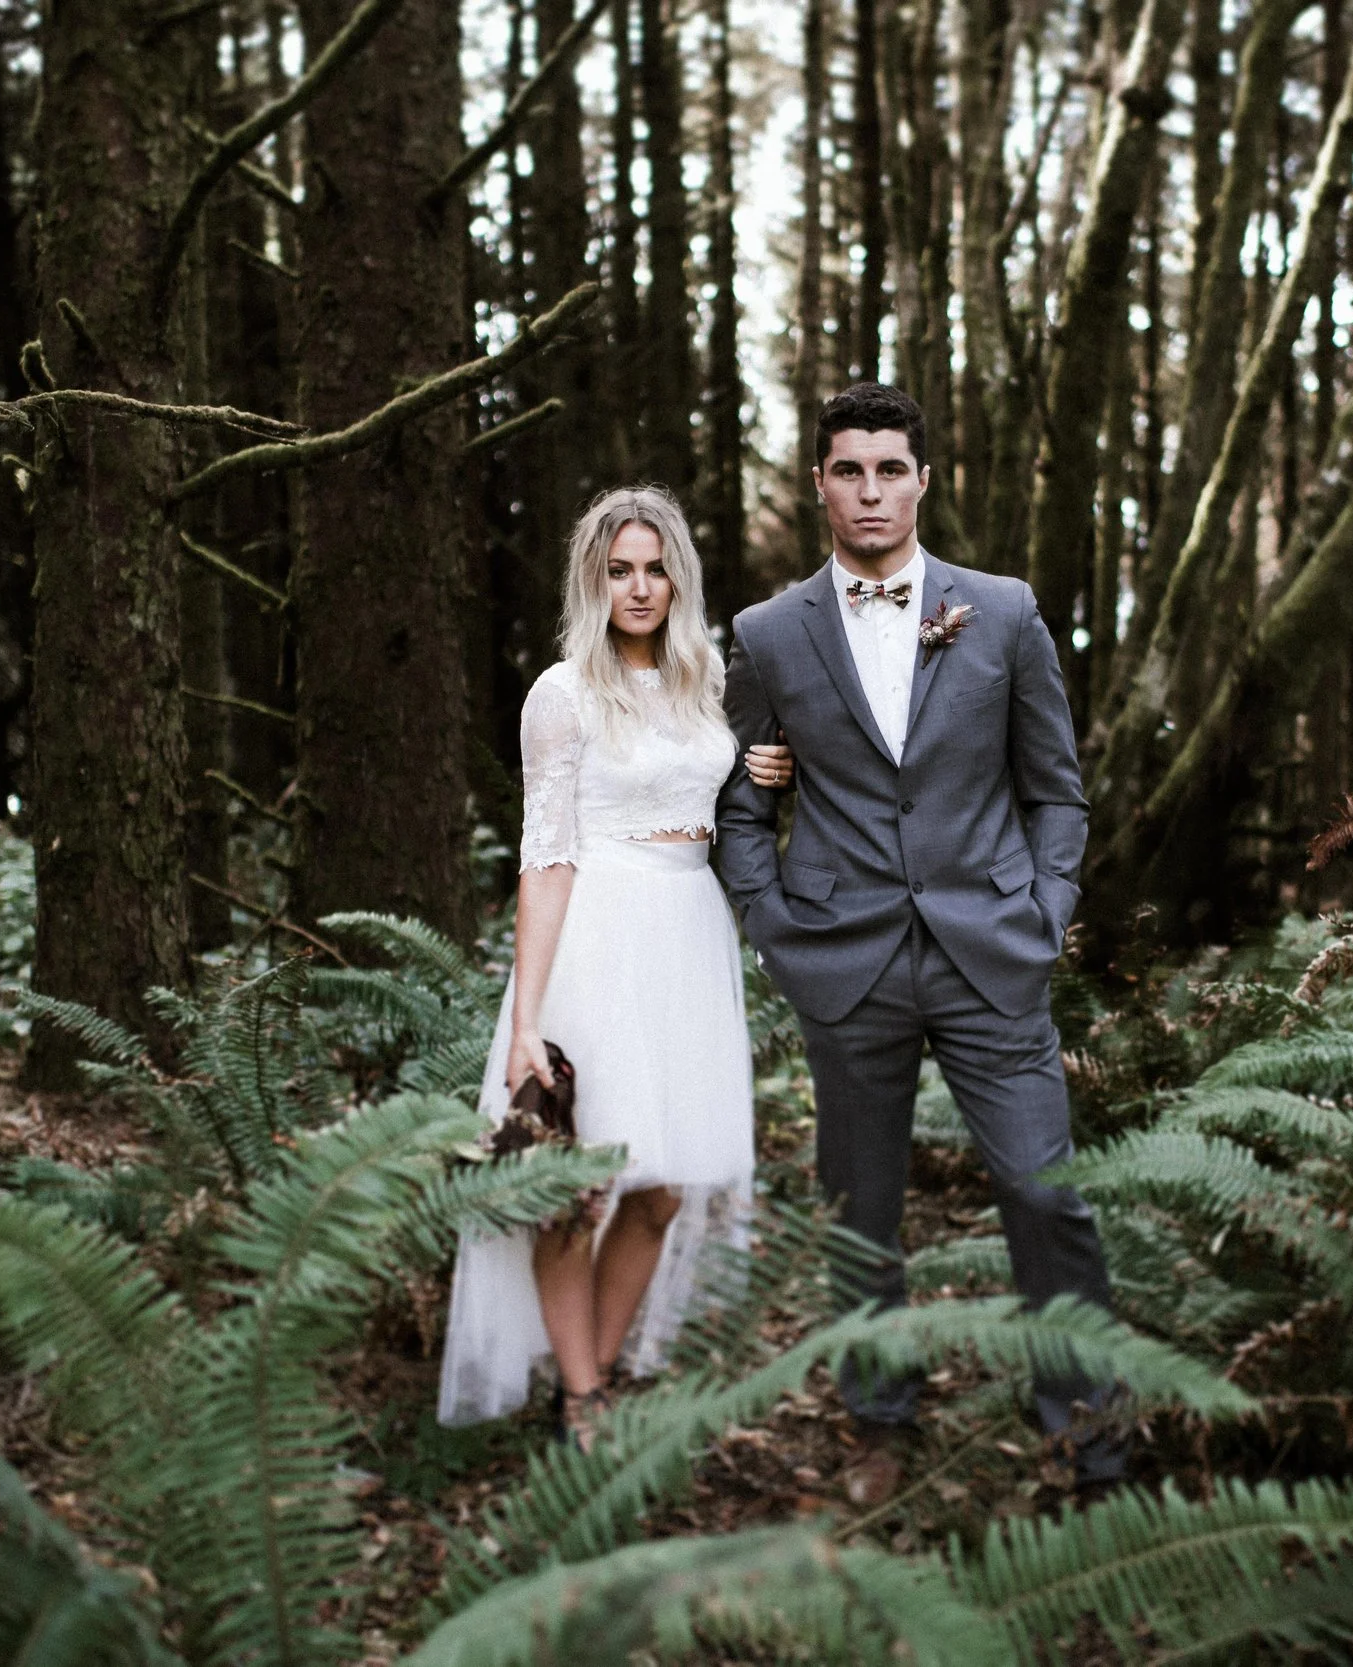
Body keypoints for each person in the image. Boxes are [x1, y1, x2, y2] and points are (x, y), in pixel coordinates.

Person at [714, 382, 1123, 1502]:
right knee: (862, 1209)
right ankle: (878, 1414)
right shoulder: (766, 633)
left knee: (1046, 1196)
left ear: (923, 479)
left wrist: (1043, 907)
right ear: (820, 484)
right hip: (844, 960)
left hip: (992, 950)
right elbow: (739, 806)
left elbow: (1056, 790)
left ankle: (1087, 1432)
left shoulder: (1001, 610)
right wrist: (773, 922)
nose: (870, 490)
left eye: (890, 467)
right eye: (849, 469)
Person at [437, 486, 796, 1447]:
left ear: (679, 574)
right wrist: (526, 1018)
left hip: (686, 936)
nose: (640, 588)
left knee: (664, 1186)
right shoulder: (561, 696)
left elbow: (730, 790)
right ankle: (587, 1400)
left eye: (655, 567)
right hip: (598, 935)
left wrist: (769, 770)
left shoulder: (705, 682)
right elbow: (546, 856)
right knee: (579, 1181)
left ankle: (584, 1377)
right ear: (593, 583)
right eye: (619, 571)